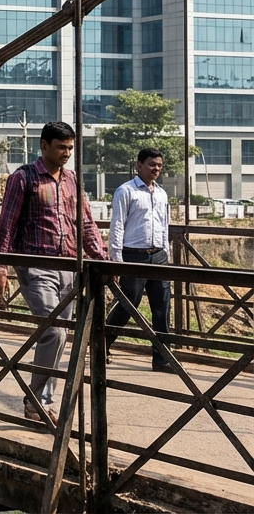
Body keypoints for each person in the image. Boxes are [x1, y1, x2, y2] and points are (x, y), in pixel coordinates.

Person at [0, 121, 110, 424]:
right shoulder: (24, 178)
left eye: (70, 148)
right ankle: (35, 400)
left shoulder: (72, 180)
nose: (66, 153)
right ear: (44, 146)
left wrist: (103, 258)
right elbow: (6, 224)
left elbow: (84, 224)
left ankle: (44, 400)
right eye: (61, 147)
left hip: (69, 267)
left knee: (60, 337)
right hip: (36, 265)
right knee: (54, 331)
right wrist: (0, 266)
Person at [105, 147, 172, 372]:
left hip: (158, 255)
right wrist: (116, 259)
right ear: (139, 166)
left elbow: (164, 225)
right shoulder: (126, 191)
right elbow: (117, 226)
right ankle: (103, 341)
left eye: (159, 165)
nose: (156, 169)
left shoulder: (161, 193)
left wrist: (166, 253)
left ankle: (162, 359)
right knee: (128, 304)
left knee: (162, 306)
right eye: (152, 164)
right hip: (133, 255)